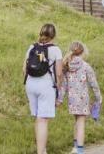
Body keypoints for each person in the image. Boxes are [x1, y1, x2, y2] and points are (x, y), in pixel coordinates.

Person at [23, 23, 63, 154]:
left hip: (30, 85)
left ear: (40, 33)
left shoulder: (31, 47)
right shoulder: (56, 50)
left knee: (38, 118)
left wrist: (28, 84)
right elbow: (58, 74)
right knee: (43, 120)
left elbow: (24, 69)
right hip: (46, 86)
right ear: (54, 35)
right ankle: (41, 152)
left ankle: (42, 149)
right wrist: (59, 92)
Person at [58, 41, 101, 154]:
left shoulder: (67, 66)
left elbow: (63, 86)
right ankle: (80, 150)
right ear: (82, 53)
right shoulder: (86, 66)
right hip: (83, 100)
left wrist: (60, 99)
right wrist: (98, 98)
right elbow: (94, 84)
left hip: (72, 100)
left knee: (76, 122)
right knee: (81, 122)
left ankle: (75, 147)